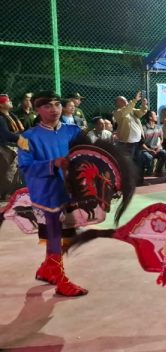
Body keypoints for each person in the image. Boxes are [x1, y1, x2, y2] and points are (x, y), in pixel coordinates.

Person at [17, 91, 88, 296]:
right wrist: (53, 163)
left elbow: (87, 153)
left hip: (69, 191)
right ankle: (60, 279)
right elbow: (26, 168)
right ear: (37, 109)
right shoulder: (27, 138)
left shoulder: (73, 131)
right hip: (46, 194)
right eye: (47, 106)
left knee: (62, 234)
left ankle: (47, 268)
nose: (54, 110)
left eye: (57, 105)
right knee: (55, 235)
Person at [114, 92, 149, 185]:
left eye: (126, 100)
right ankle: (127, 183)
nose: (126, 101)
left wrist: (144, 105)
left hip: (137, 142)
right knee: (128, 164)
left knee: (139, 162)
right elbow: (125, 111)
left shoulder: (131, 110)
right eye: (123, 100)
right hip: (127, 143)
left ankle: (139, 182)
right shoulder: (117, 112)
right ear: (117, 103)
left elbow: (141, 112)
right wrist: (134, 100)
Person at [0, 94, 24, 199]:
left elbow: (20, 131)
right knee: (9, 171)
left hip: (15, 145)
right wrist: (22, 139)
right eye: (7, 101)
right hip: (5, 147)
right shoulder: (0, 118)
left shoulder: (12, 115)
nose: (10, 101)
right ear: (1, 105)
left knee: (16, 171)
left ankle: (11, 193)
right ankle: (5, 193)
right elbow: (5, 134)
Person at [141, 111, 166, 177]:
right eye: (155, 114)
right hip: (145, 150)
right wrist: (149, 150)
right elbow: (141, 143)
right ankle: (148, 172)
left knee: (163, 153)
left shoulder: (158, 127)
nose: (157, 116)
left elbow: (161, 139)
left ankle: (158, 171)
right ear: (150, 117)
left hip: (155, 149)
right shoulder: (143, 128)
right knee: (149, 157)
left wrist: (159, 146)